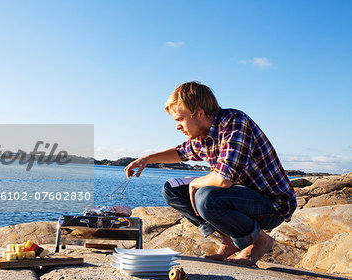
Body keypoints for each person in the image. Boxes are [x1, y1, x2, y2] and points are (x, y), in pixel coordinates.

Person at [124, 81, 297, 266]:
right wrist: (147, 159)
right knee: (171, 189)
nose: (177, 126)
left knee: (206, 197)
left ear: (199, 113)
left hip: (271, 205)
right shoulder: (203, 136)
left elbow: (224, 178)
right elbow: (180, 152)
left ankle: (259, 241)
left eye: (180, 119)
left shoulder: (234, 122)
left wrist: (195, 183)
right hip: (240, 196)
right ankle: (229, 240)